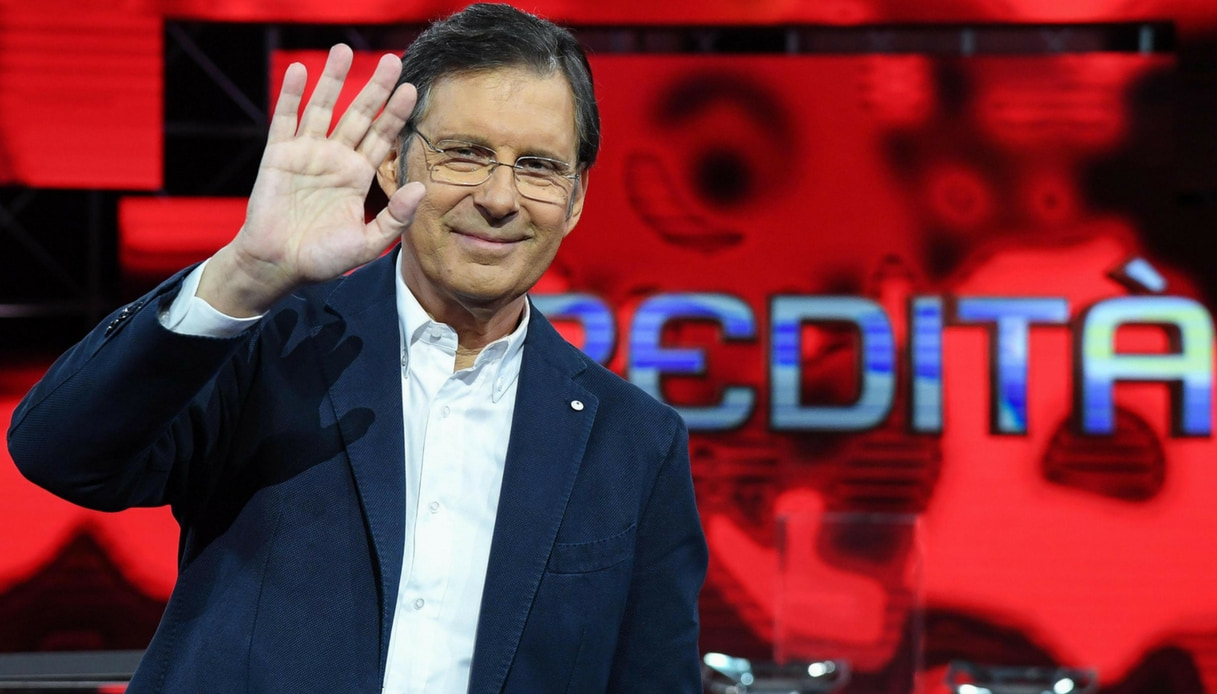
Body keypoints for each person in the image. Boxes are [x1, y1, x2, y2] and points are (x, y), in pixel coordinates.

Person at [6, 4, 707, 692]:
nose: (500, 197)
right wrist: (244, 272)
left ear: (575, 196)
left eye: (538, 166)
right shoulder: (268, 342)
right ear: (393, 165)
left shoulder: (634, 444)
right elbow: (60, 454)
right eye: (465, 154)